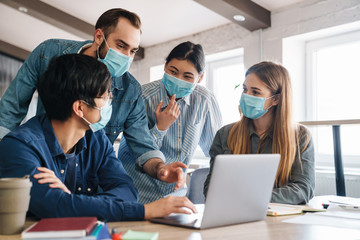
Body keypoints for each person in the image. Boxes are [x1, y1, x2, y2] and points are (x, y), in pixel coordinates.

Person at [0, 8, 186, 190]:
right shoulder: (48, 53)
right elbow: (11, 109)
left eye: (133, 51)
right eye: (121, 46)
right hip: (44, 165)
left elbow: (142, 144)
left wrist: (161, 168)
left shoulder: (130, 91)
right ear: (99, 36)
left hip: (88, 181)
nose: (126, 57)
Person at [0, 54, 196, 221]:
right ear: (80, 107)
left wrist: (71, 202)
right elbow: (53, 207)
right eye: (105, 97)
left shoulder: (96, 139)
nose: (110, 102)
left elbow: (127, 190)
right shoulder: (18, 148)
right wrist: (145, 210)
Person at [118, 41, 222, 203]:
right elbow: (130, 153)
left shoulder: (204, 101)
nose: (178, 79)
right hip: (136, 195)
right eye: (173, 72)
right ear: (165, 67)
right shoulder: (142, 96)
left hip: (176, 196)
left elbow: (217, 152)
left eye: (187, 76)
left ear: (200, 77)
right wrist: (160, 128)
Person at [203, 61, 315, 205]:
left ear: (276, 99)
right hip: (235, 216)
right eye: (245, 89)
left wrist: (251, 197)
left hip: (279, 220)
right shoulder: (225, 134)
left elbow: (303, 189)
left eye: (255, 92)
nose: (246, 95)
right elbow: (211, 188)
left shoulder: (300, 136)